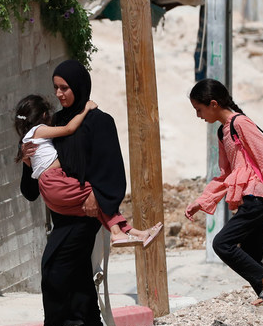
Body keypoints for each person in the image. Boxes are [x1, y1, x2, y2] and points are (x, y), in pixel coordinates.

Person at [19, 59, 144, 326]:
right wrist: (27, 163)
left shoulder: (100, 122)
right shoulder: (54, 125)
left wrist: (96, 195)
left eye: (65, 88)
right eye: (56, 89)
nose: (60, 94)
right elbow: (32, 188)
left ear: (79, 86)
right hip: (61, 213)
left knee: (53, 266)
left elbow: (110, 168)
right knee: (77, 271)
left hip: (86, 211)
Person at [184, 79, 263, 326]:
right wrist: (201, 202)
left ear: (213, 104)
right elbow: (225, 175)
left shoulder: (240, 123)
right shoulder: (223, 131)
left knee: (222, 244)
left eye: (199, 110)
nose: (198, 116)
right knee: (250, 259)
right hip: (250, 197)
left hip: (258, 197)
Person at [14, 93, 162, 248]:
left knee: (98, 207)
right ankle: (117, 233)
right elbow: (69, 129)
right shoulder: (39, 130)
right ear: (44, 114)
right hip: (55, 181)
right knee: (100, 192)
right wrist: (85, 109)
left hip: (48, 193)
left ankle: (137, 233)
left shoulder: (26, 142)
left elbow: (32, 167)